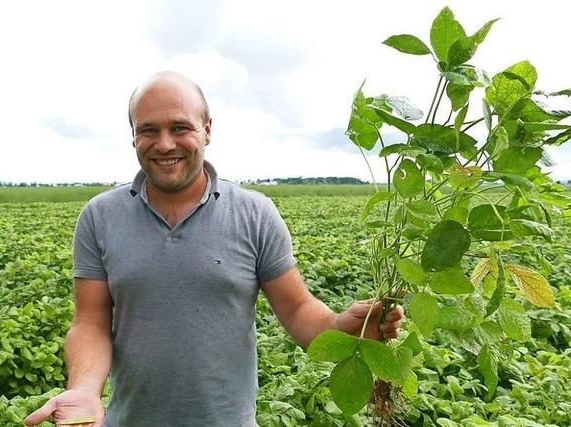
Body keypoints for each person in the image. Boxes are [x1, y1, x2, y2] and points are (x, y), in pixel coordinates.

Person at [24, 71, 404, 427]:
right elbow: (90, 322)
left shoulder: (253, 214)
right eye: (149, 130)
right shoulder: (100, 216)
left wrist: (342, 329)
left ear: (207, 130)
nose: (165, 143)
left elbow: (298, 309)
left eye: (180, 127)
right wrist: (85, 389)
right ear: (133, 136)